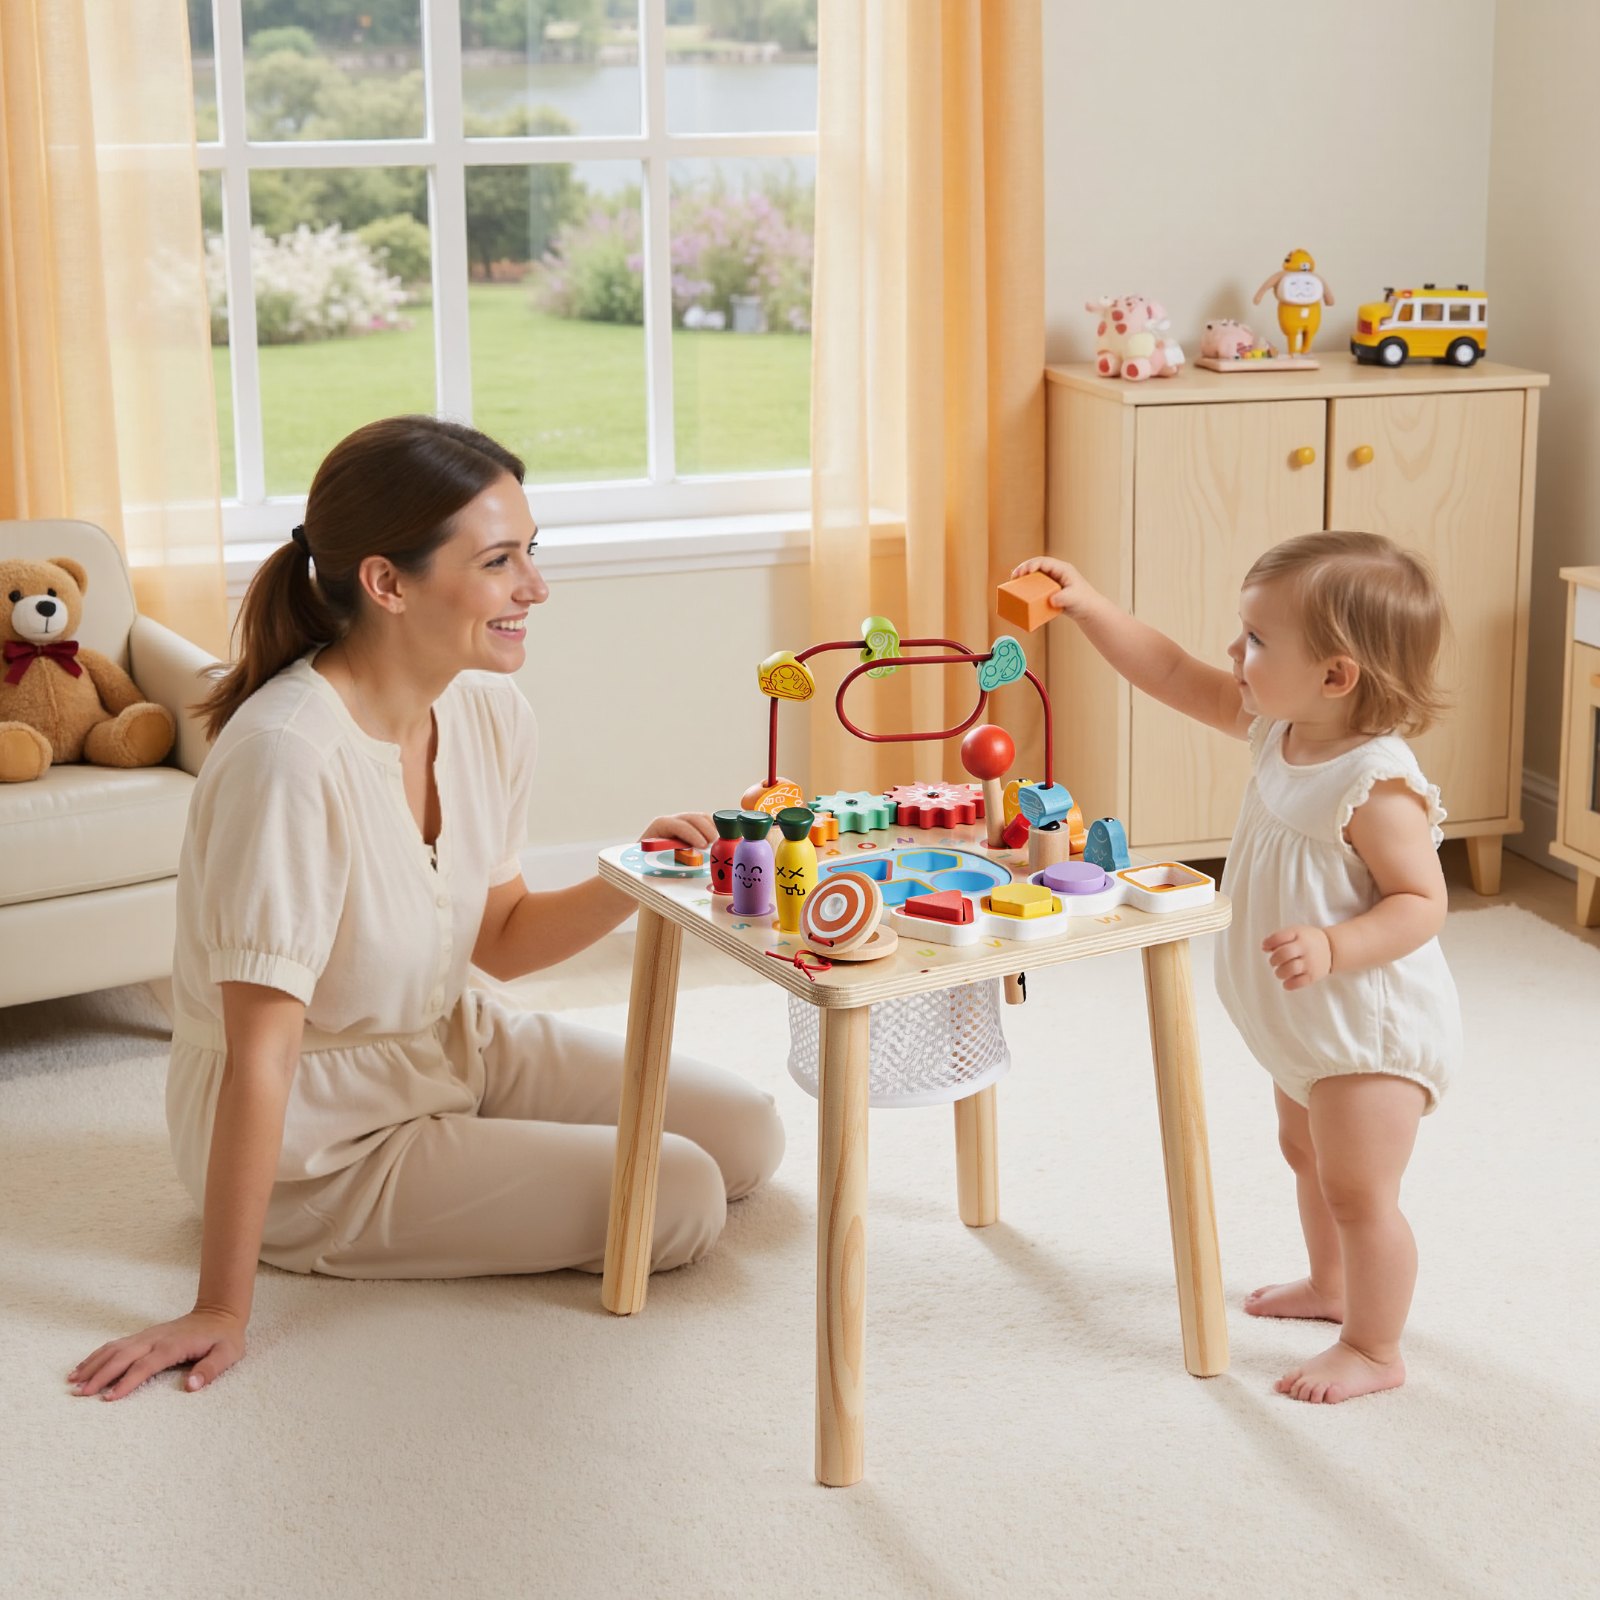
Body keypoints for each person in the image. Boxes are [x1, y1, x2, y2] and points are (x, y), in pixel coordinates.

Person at [69, 416, 784, 1402]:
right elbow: (259, 1055)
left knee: (745, 1134)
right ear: (387, 582)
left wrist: (635, 875)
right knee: (679, 1194)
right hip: (322, 1138)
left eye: (531, 552)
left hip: (448, 1037)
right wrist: (220, 1306)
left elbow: (501, 940)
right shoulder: (290, 758)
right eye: (498, 561)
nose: (535, 587)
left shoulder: (486, 707)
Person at [1013, 532, 1461, 1404]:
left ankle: (1375, 1347)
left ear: (1336, 676)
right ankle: (1331, 1288)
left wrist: (1337, 945)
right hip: (1303, 1020)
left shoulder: (1377, 786)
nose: (1234, 652)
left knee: (1361, 1190)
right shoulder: (1278, 730)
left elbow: (1421, 903)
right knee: (1304, 1154)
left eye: (1256, 639)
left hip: (1366, 1026)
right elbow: (1174, 672)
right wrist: (1089, 606)